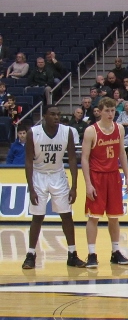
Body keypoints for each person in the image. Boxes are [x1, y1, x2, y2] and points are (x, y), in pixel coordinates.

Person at [21, 106, 86, 270]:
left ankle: (72, 254)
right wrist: (31, 188)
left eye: (59, 114)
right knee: (38, 217)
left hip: (58, 174)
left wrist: (74, 186)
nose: (56, 117)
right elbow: (28, 161)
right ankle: (30, 254)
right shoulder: (33, 133)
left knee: (66, 215)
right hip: (39, 175)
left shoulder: (67, 131)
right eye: (53, 114)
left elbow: (72, 158)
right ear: (44, 116)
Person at [81, 97, 128, 268]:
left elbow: (122, 154)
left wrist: (127, 175)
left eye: (113, 111)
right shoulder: (91, 131)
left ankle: (115, 251)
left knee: (114, 217)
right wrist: (88, 183)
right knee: (93, 217)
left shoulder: (120, 129)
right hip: (97, 177)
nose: (111, 114)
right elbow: (84, 159)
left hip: (113, 176)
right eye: (107, 111)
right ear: (100, 111)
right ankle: (91, 254)